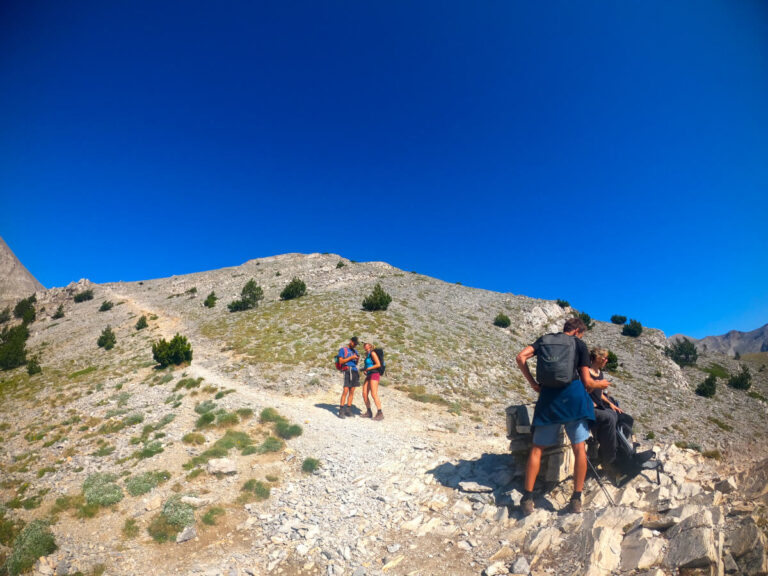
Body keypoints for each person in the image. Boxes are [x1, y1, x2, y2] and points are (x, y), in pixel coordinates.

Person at [515, 318, 609, 515]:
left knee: (537, 449)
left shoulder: (544, 340)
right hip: (573, 399)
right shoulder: (579, 344)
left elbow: (520, 357)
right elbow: (587, 382)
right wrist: (602, 384)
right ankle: (576, 498)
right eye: (582, 334)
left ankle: (527, 497)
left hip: (548, 399)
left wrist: (533, 383)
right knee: (579, 448)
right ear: (577, 331)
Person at [587, 348, 637, 477]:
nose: (606, 360)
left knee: (624, 417)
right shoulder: (586, 372)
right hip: (589, 406)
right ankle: (609, 457)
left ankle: (615, 448)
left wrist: (611, 404)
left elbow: (601, 394)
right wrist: (596, 385)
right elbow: (585, 391)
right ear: (597, 358)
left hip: (600, 404)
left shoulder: (600, 373)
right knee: (610, 418)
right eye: (604, 358)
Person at [337, 336, 360, 418]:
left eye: (356, 344)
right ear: (351, 341)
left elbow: (355, 363)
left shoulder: (355, 351)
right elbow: (341, 361)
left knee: (352, 391)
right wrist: (351, 357)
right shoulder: (343, 350)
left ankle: (348, 410)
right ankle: (341, 410)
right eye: (354, 343)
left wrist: (357, 359)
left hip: (354, 371)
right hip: (347, 370)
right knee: (346, 390)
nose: (355, 345)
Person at [361, 342, 384, 420]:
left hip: (374, 374)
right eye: (364, 345)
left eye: (366, 344)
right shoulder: (367, 355)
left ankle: (380, 413)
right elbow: (368, 365)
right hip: (369, 374)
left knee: (374, 394)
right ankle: (369, 412)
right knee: (364, 393)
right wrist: (365, 370)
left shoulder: (373, 353)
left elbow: (378, 364)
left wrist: (368, 369)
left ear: (370, 346)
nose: (364, 345)